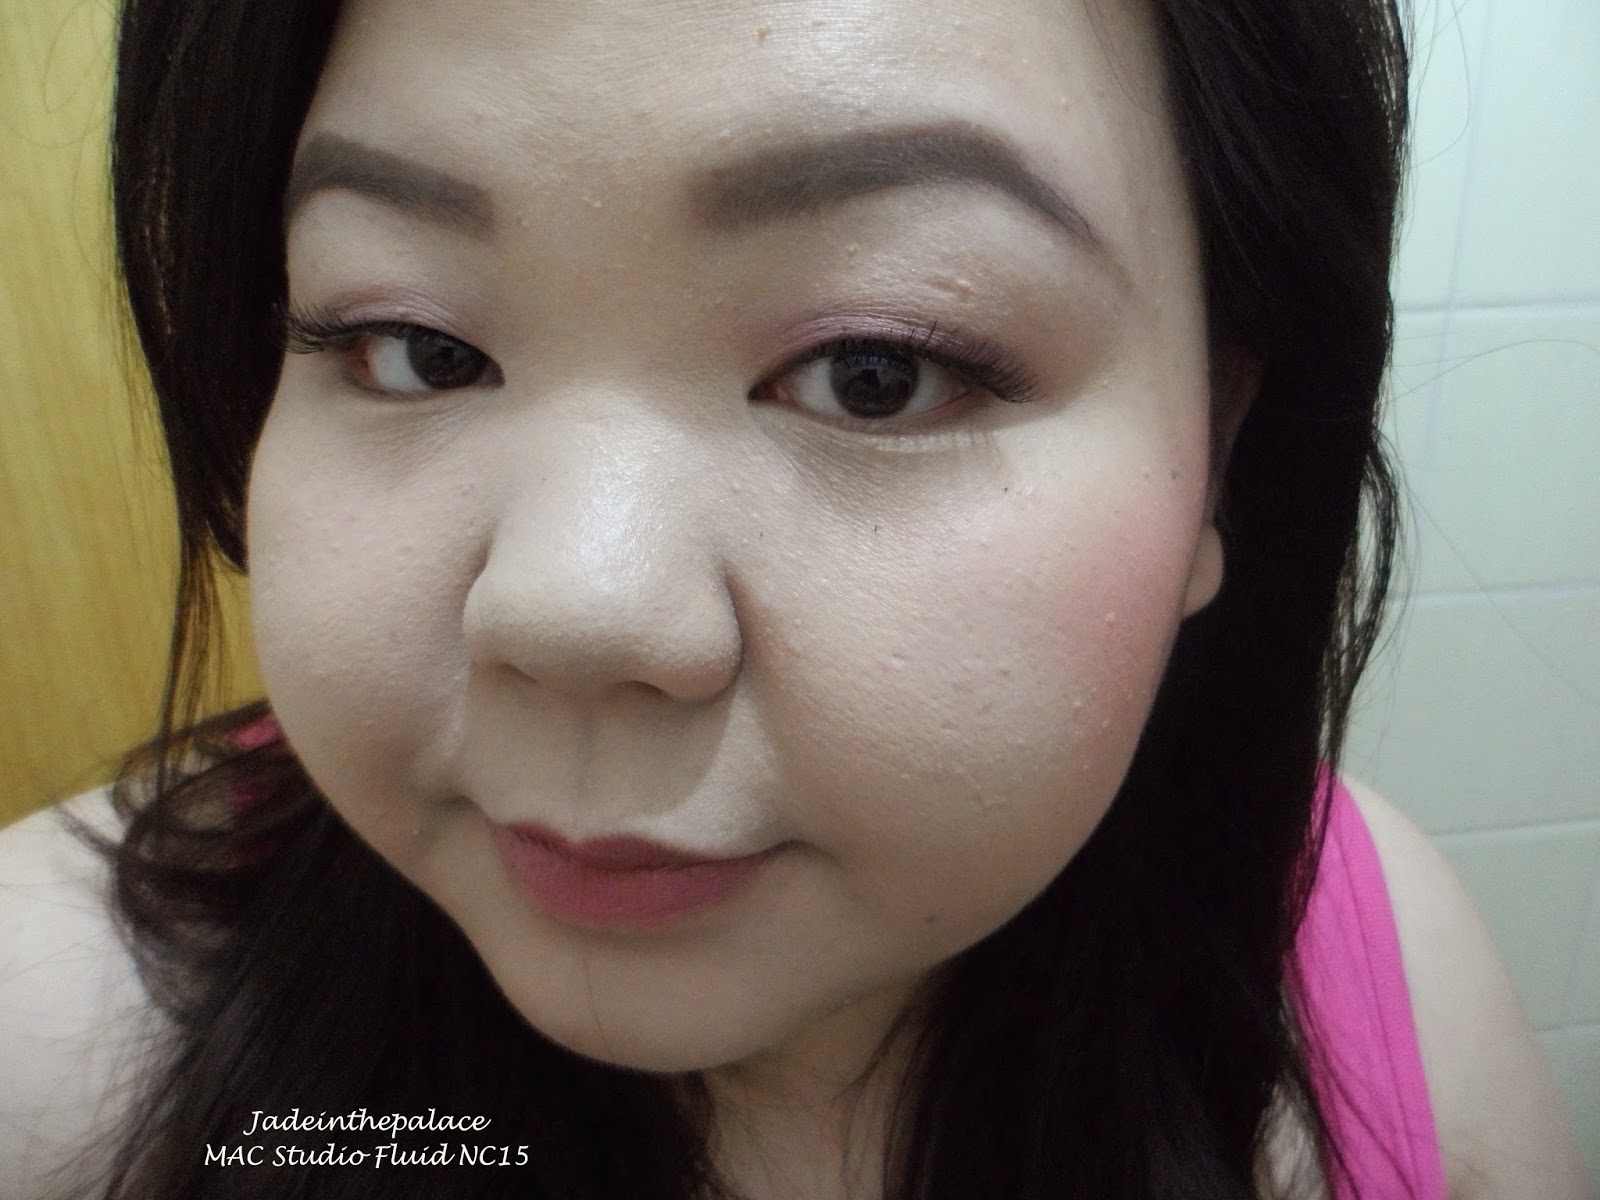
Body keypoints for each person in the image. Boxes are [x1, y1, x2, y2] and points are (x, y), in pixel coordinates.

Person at [0, 0, 1587, 1196]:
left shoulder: (1381, 987)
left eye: (875, 373)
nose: (573, 606)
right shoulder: (58, 1057)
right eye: (413, 347)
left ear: (1219, 452)